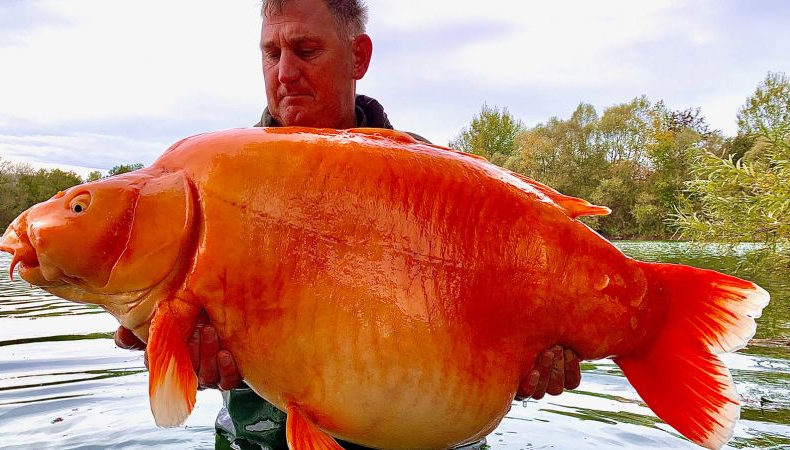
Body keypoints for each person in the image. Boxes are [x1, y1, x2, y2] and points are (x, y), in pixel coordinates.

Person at [114, 0, 583, 448]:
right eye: (271, 53)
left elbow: (489, 342)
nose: (285, 74)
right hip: (258, 441)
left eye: (306, 50)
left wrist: (525, 371)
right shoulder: (214, 182)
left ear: (358, 56)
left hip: (420, 441)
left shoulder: (438, 184)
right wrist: (158, 339)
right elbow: (154, 322)